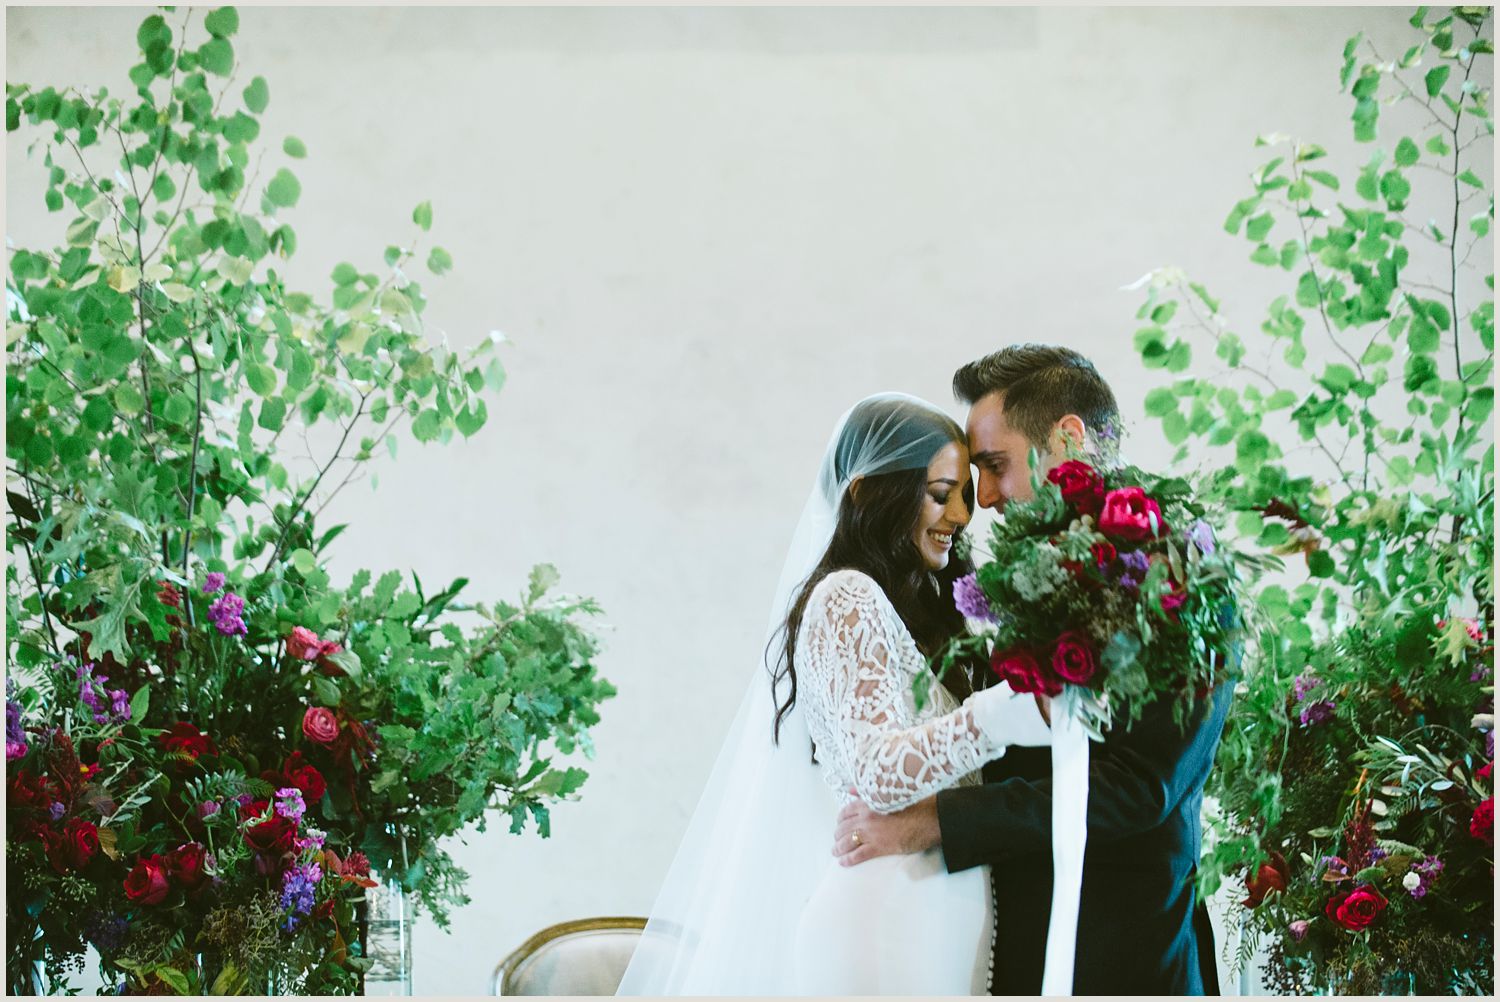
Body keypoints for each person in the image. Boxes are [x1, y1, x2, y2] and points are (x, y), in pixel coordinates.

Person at [618, 392, 1051, 996]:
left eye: (963, 495)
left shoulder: (917, 608)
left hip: (942, 912)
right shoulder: (846, 596)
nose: (960, 514)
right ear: (870, 493)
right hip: (888, 919)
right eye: (939, 493)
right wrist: (1003, 715)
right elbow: (875, 769)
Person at [830, 345, 1232, 995]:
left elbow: (1138, 784)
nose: (982, 498)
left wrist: (932, 822)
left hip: (1118, 952)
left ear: (1066, 440)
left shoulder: (1172, 565)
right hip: (1016, 935)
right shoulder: (1047, 565)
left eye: (994, 465)